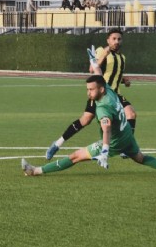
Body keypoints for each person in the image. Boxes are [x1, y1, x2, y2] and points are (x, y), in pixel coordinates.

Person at [21, 46, 156, 178]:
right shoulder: (109, 89)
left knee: (75, 156)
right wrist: (93, 62)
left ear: (100, 90)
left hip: (114, 142)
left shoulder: (102, 106)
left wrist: (104, 151)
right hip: (128, 136)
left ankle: (35, 171)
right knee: (141, 158)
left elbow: (107, 129)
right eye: (87, 89)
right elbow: (98, 73)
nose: (88, 93)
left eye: (91, 90)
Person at [46, 28, 136, 160]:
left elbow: (114, 74)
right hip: (101, 93)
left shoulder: (122, 58)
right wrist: (104, 55)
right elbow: (92, 69)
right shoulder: (101, 51)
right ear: (108, 40)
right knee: (85, 120)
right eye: (114, 39)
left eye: (119, 39)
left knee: (131, 113)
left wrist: (124, 80)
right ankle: (57, 144)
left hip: (115, 95)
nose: (116, 41)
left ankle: (127, 147)